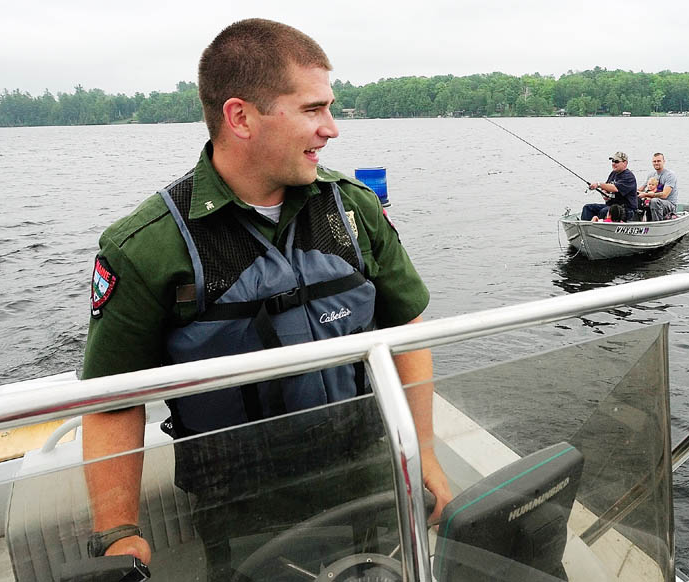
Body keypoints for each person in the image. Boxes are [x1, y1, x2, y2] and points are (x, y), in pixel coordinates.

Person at [81, 18, 452, 580]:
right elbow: (113, 399)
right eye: (312, 109)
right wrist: (119, 534)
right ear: (240, 117)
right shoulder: (147, 247)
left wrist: (421, 452)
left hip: (368, 488)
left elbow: (407, 332)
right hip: (242, 518)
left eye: (330, 108)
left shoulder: (353, 213)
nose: (331, 129)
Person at [581, 152, 638, 221]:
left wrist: (598, 184)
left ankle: (598, 226)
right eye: (612, 161)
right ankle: (586, 228)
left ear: (625, 163)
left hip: (626, 209)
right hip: (611, 206)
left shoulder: (629, 177)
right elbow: (606, 187)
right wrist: (604, 194)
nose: (613, 163)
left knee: (605, 211)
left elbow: (615, 188)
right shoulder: (613, 173)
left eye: (616, 161)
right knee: (587, 208)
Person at [638, 152, 678, 221]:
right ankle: (636, 221)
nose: (656, 163)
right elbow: (641, 189)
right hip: (654, 202)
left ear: (664, 162)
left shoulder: (670, 175)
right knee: (637, 198)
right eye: (654, 161)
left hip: (669, 204)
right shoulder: (651, 175)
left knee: (654, 201)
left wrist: (646, 194)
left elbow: (664, 195)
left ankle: (657, 224)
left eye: (659, 161)